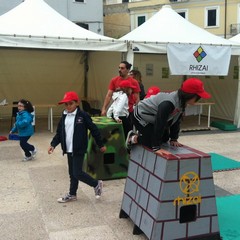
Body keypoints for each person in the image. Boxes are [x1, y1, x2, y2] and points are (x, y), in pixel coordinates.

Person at [126, 78, 211, 156]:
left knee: (164, 139)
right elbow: (160, 123)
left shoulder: (182, 102)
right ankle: (133, 138)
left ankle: (147, 137)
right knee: (151, 142)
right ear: (190, 95)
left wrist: (173, 138)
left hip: (153, 117)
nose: (198, 99)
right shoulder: (168, 103)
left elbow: (176, 120)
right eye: (198, 97)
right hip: (140, 115)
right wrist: (156, 147)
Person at [48, 91, 106, 203]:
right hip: (68, 149)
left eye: (70, 103)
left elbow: (94, 129)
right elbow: (59, 133)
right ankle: (72, 194)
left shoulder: (83, 116)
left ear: (77, 103)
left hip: (78, 149)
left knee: (77, 172)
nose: (68, 106)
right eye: (66, 104)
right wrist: (53, 144)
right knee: (72, 173)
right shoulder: (64, 115)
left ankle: (96, 184)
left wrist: (101, 144)